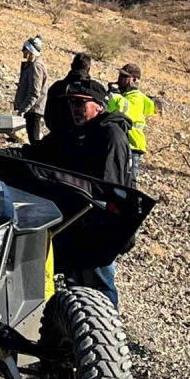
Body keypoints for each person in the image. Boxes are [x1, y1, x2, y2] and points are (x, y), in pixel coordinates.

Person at [24, 78, 132, 308]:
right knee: (73, 283)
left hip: (98, 225)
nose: (75, 109)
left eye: (81, 103)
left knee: (99, 284)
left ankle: (108, 335)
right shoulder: (71, 132)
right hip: (71, 220)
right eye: (72, 103)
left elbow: (108, 187)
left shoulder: (111, 136)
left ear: (99, 106)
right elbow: (35, 154)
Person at [106, 63, 158, 188]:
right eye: (120, 75)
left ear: (134, 79)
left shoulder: (136, 97)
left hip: (132, 144)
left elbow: (124, 111)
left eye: (124, 77)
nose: (119, 79)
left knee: (130, 180)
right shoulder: (128, 96)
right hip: (123, 143)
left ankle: (132, 206)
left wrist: (115, 95)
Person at [44, 52, 92, 136]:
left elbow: (48, 118)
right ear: (88, 69)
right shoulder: (93, 90)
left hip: (58, 138)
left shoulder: (56, 87)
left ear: (71, 66)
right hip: (84, 140)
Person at [13, 35, 49, 143]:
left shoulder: (36, 66)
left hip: (34, 110)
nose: (22, 51)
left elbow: (34, 92)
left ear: (30, 50)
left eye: (24, 49)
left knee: (34, 141)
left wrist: (23, 109)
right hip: (32, 109)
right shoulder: (31, 65)